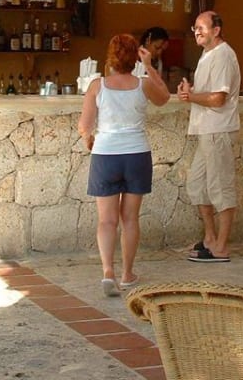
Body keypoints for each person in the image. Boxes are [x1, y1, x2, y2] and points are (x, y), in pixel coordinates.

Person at [79, 33, 171, 296]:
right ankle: (128, 273)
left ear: (110, 57)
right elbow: (164, 97)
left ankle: (108, 271)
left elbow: (84, 125)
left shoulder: (98, 85)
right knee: (130, 218)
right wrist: (150, 67)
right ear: (135, 58)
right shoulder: (143, 84)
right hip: (137, 155)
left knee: (107, 220)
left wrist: (89, 138)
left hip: (105, 154)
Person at [177, 11, 240, 263]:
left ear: (216, 30)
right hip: (205, 129)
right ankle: (210, 238)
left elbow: (219, 98)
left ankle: (221, 247)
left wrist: (190, 97)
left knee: (220, 187)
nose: (197, 31)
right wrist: (190, 91)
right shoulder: (207, 54)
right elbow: (208, 93)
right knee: (197, 184)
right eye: (195, 28)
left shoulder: (224, 55)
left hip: (218, 129)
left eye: (202, 27)